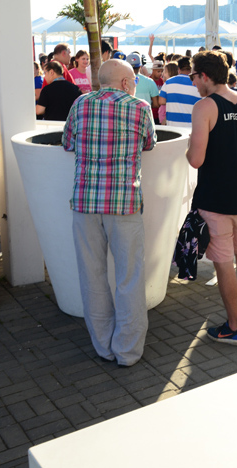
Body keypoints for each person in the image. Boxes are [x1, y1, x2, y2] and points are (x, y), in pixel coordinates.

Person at [62, 58, 155, 366]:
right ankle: (127, 351)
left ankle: (103, 346)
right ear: (126, 83)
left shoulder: (80, 104)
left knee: (92, 276)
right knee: (130, 277)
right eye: (134, 80)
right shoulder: (140, 108)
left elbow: (67, 143)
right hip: (124, 204)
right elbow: (149, 144)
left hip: (85, 203)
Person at [187, 50, 237, 346]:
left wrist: (188, 149)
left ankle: (234, 326)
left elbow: (196, 160)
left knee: (223, 260)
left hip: (216, 198)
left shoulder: (204, 106)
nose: (194, 83)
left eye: (194, 77)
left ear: (204, 75)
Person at [160, 55, 200, 127]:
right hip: (191, 128)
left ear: (179, 69)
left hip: (173, 128)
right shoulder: (197, 83)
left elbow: (161, 101)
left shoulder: (168, 82)